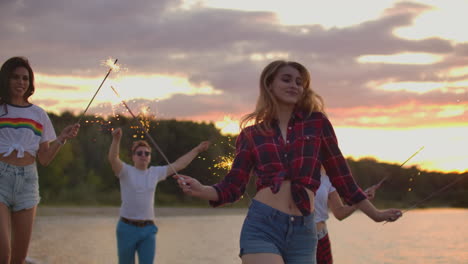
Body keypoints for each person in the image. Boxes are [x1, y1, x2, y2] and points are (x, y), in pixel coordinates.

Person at [174, 60, 402, 264]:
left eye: (299, 82)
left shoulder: (318, 124)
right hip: (263, 225)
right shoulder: (252, 134)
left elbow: (341, 175)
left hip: (305, 231)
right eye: (286, 79)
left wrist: (375, 214)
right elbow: (233, 186)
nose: (294, 85)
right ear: (269, 84)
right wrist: (203, 190)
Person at [0, 56, 80, 264]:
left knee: (19, 257)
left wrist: (61, 138)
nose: (21, 82)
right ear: (6, 79)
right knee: (3, 252)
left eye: (25, 78)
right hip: (1, 178)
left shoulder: (38, 114)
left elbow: (44, 158)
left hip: (28, 182)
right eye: (15, 77)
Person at [108, 127, 210, 264]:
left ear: (150, 157)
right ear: (133, 156)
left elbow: (179, 164)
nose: (143, 155)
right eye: (139, 153)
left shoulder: (155, 173)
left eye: (147, 153)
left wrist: (197, 149)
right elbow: (113, 159)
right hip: (127, 228)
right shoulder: (126, 171)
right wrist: (116, 139)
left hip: (148, 229)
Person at [314, 168, 380, 264]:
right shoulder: (294, 167)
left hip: (321, 238)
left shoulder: (328, 176)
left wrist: (361, 198)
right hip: (298, 238)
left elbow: (339, 213)